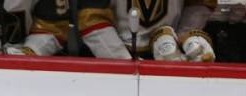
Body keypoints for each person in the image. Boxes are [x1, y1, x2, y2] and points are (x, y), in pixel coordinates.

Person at [77, 0, 217, 61]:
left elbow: (199, 4)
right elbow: (91, 17)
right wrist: (122, 63)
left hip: (167, 53)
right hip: (108, 59)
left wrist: (182, 41)